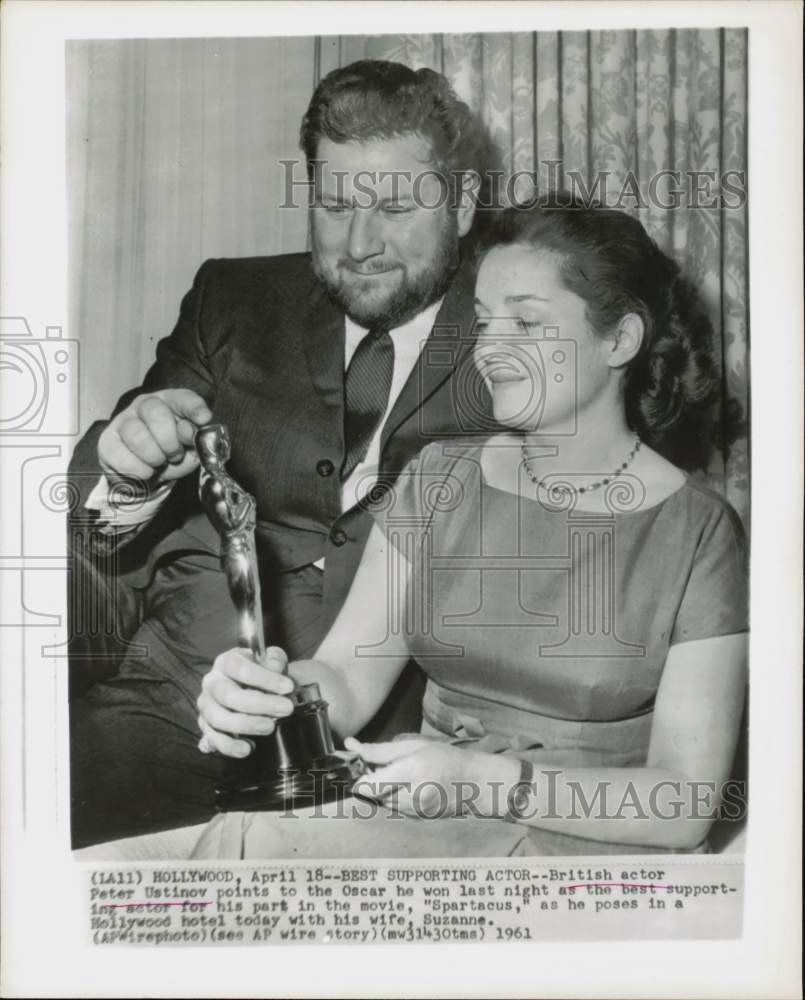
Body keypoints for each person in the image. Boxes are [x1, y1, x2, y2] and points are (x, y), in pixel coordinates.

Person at [197, 197, 749, 856]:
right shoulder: (437, 476)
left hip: (589, 851)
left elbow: (684, 806)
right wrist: (265, 694)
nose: (491, 349)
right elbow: (345, 678)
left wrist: (481, 781)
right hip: (433, 814)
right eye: (484, 322)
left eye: (526, 321)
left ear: (619, 340)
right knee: (245, 838)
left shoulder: (699, 531)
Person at [68, 59, 502, 847]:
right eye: (335, 204)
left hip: (390, 743)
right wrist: (128, 467)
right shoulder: (231, 300)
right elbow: (90, 510)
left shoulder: (520, 330)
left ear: (463, 203)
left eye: (397, 207)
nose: (361, 244)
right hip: (174, 705)